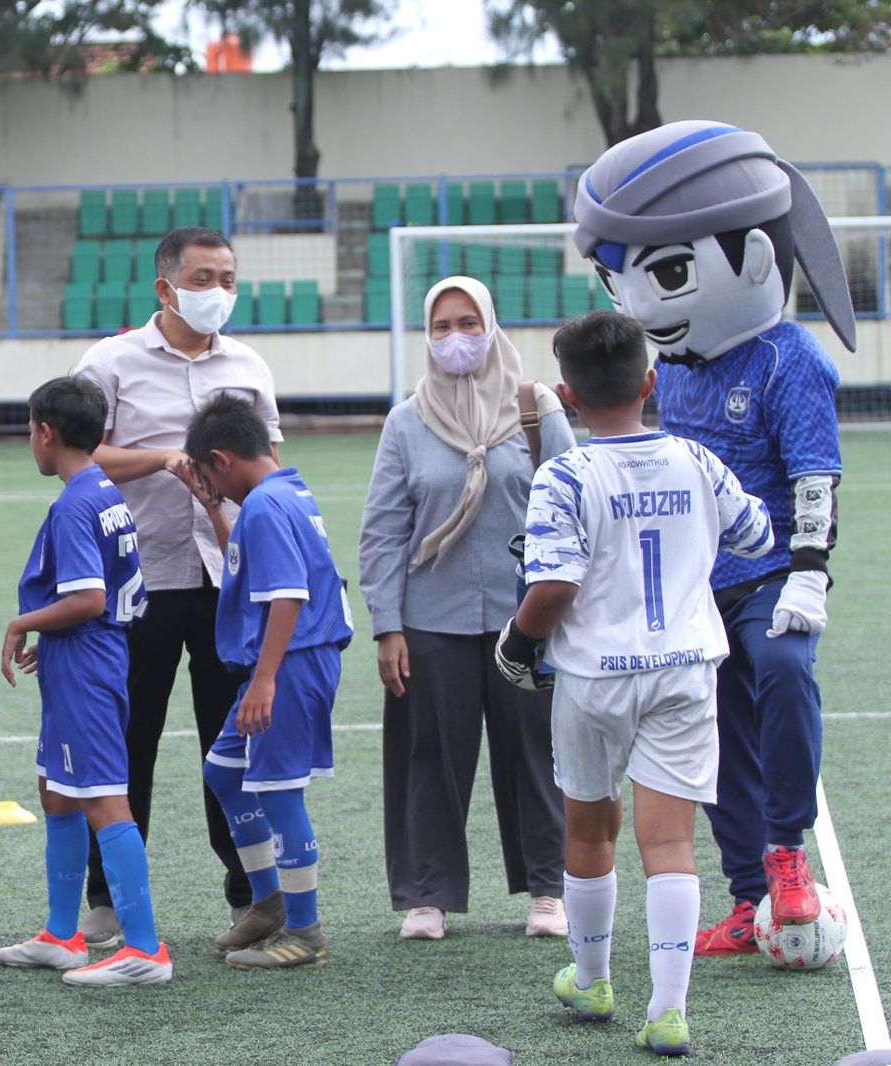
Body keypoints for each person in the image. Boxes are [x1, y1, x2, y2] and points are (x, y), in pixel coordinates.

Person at [571, 120, 851, 954]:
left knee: (783, 669)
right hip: (696, 583)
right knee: (711, 730)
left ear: (755, 261)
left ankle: (788, 851)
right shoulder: (678, 370)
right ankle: (746, 894)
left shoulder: (786, 357)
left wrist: (811, 572)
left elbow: (814, 472)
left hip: (770, 573)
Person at [495, 311, 774, 1057]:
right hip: (684, 668)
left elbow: (552, 586)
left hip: (594, 678)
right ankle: (669, 1011)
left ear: (567, 396)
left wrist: (517, 645)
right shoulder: (695, 459)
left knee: (590, 829)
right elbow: (756, 536)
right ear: (651, 383)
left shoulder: (566, 473)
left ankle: (592, 980)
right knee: (671, 841)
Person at [72, 226, 280, 945]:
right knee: (129, 737)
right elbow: (80, 453)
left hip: (228, 580)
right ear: (165, 288)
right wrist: (161, 459)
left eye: (227, 278)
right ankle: (108, 897)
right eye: (202, 279)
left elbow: (269, 469)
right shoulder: (110, 362)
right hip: (139, 577)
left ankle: (248, 892)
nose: (217, 292)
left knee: (231, 740)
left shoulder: (250, 365)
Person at [357, 275, 572, 941]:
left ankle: (548, 889)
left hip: (527, 619)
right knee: (430, 759)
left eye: (467, 323)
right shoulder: (407, 420)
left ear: (492, 325)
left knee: (537, 752)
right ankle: (429, 896)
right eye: (442, 326)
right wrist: (387, 626)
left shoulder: (536, 410)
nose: (456, 338)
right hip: (431, 622)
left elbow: (575, 511)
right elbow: (384, 531)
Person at [0, 375, 171, 987]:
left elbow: (90, 598)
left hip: (90, 663)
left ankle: (146, 950)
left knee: (101, 797)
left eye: (30, 430)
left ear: (46, 432)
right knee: (57, 792)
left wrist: (23, 623)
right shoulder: (101, 486)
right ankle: (61, 935)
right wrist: (54, 635)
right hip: (82, 657)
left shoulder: (75, 502)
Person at [180, 395, 353, 969]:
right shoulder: (284, 492)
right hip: (286, 660)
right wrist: (214, 514)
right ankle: (270, 902)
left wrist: (265, 680)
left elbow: (288, 594)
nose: (213, 486)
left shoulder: (266, 506)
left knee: (278, 790)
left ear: (221, 459)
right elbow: (257, 563)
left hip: (291, 662)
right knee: (224, 771)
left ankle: (306, 932)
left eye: (208, 476)